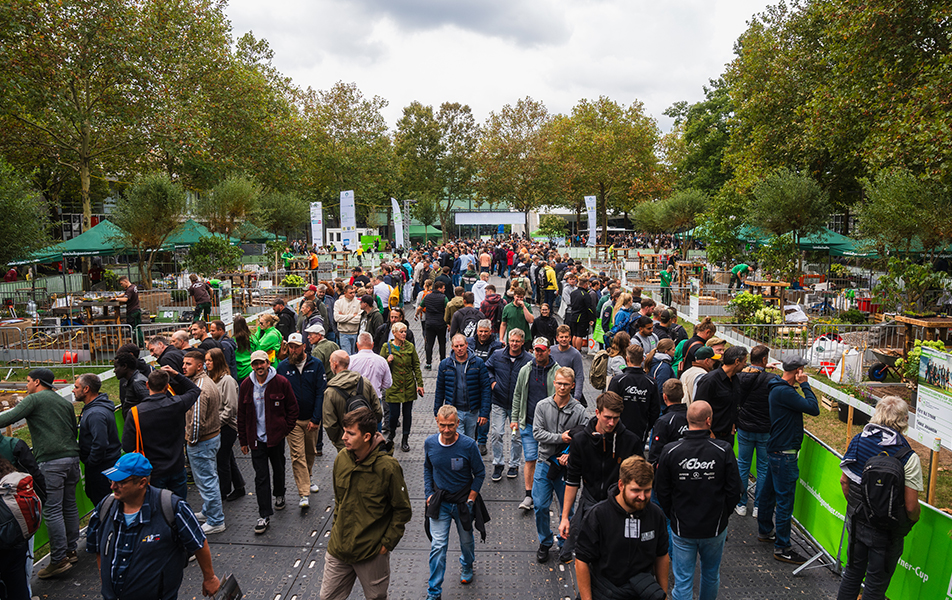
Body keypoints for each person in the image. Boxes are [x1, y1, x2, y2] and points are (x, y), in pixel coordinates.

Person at [86, 453, 221, 600]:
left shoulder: (171, 507)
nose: (113, 486)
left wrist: (209, 578)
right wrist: (105, 582)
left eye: (121, 482)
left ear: (142, 483)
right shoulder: (105, 507)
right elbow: (97, 548)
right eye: (111, 480)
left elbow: (198, 543)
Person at [836, 396, 923, 600]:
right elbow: (911, 508)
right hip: (887, 534)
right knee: (875, 586)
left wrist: (856, 507)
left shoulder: (858, 441)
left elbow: (844, 481)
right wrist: (911, 521)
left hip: (857, 523)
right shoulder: (908, 457)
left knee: (852, 574)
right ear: (903, 420)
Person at [322, 407, 412, 600]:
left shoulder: (387, 468)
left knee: (376, 598)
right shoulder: (341, 460)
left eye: (350, 433)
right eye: (344, 431)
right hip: (339, 548)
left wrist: (386, 544)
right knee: (327, 597)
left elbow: (402, 510)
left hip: (371, 552)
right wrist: (336, 528)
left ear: (366, 436)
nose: (344, 437)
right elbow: (339, 501)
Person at [655, 400, 742, 600]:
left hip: (682, 527)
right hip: (714, 527)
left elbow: (662, 491)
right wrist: (723, 515)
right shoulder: (723, 450)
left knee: (683, 580)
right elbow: (734, 490)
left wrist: (674, 515)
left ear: (688, 420)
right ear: (709, 420)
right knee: (711, 575)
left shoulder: (670, 451)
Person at [0, 368, 81, 579]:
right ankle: (71, 550)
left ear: (37, 382)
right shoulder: (63, 400)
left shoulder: (34, 399)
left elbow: (7, 418)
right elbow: (73, 429)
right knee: (69, 505)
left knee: (52, 510)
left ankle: (58, 560)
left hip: (51, 461)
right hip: (72, 458)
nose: (26, 385)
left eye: (27, 381)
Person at [558, 391, 640, 563]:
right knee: (584, 553)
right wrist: (565, 516)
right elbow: (572, 481)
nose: (611, 423)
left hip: (619, 505)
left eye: (616, 418)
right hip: (591, 501)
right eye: (607, 417)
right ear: (597, 413)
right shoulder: (581, 441)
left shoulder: (630, 441)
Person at [575, 455, 670, 600]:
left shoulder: (656, 515)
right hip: (606, 591)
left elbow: (662, 555)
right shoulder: (598, 515)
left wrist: (663, 594)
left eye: (647, 490)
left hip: (641, 591)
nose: (642, 497)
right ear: (621, 485)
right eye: (636, 490)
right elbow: (581, 560)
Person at [758, 354, 820, 564]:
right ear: (797, 372)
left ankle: (765, 530)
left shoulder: (777, 387)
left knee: (768, 493)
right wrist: (806, 386)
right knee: (785, 501)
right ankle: (783, 546)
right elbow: (813, 409)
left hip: (776, 449)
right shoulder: (785, 392)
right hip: (785, 453)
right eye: (803, 371)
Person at [424, 405, 487, 600]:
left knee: (466, 542)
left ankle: (467, 564)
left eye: (451, 425)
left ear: (458, 423)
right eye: (442, 425)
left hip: (462, 503)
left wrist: (472, 498)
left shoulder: (468, 445)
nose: (447, 430)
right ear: (437, 422)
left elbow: (480, 473)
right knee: (438, 545)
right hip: (440, 502)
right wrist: (428, 493)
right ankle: (434, 592)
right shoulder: (430, 443)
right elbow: (427, 468)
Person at [238, 350, 299, 535]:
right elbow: (241, 414)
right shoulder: (246, 385)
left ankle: (279, 493)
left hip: (276, 438)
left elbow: (293, 409)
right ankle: (264, 515)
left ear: (268, 362)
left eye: (261, 363)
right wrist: (243, 440)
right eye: (255, 364)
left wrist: (283, 430)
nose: (259, 367)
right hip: (256, 440)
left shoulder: (281, 382)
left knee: (279, 468)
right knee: (261, 477)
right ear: (252, 365)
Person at [529, 366, 587, 563]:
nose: (562, 387)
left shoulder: (579, 410)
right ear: (554, 383)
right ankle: (545, 541)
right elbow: (537, 433)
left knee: (567, 509)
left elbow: (585, 436)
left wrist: (570, 453)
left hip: (567, 468)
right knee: (539, 505)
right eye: (559, 383)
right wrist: (561, 438)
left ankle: (564, 544)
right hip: (545, 462)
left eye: (566, 385)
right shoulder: (542, 406)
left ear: (572, 386)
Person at [121, 367, 200, 501]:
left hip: (152, 470)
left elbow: (128, 445)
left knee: (156, 507)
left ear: (147, 385)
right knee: (179, 505)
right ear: (167, 387)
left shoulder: (135, 413)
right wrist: (176, 374)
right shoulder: (177, 404)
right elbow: (195, 390)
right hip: (177, 466)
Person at [276, 333, 326, 509]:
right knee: (297, 455)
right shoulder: (282, 367)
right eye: (290, 346)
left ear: (304, 346)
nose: (293, 350)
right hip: (293, 421)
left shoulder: (316, 365)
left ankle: (308, 476)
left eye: (296, 346)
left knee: (310, 452)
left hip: (311, 419)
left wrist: (316, 418)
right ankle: (303, 492)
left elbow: (321, 392)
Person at [511, 337, 558, 512]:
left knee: (547, 458)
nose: (539, 353)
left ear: (548, 351)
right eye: (536, 350)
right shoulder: (526, 370)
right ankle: (529, 495)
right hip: (529, 423)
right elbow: (517, 395)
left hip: (550, 426)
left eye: (542, 350)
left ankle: (545, 491)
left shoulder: (557, 371)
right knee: (530, 458)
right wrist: (515, 418)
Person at [180, 350, 225, 534]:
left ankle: (216, 520)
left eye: (188, 364)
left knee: (207, 481)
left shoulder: (200, 389)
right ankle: (209, 511)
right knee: (210, 477)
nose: (184, 367)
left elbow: (197, 420)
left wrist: (191, 440)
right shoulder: (206, 381)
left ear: (199, 366)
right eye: (183, 363)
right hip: (211, 437)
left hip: (202, 442)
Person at [485, 328, 532, 482]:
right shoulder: (498, 355)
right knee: (497, 433)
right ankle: (498, 463)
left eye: (517, 341)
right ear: (508, 340)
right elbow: (488, 368)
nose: (514, 343)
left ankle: (514, 464)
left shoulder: (528, 360)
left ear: (522, 342)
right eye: (512, 340)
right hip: (498, 401)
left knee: (516, 437)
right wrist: (493, 383)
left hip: (516, 406)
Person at [734, 345, 775, 517]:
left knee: (743, 465)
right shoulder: (771, 379)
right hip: (765, 429)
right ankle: (759, 506)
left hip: (744, 427)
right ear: (765, 360)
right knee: (763, 467)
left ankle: (741, 504)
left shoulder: (740, 377)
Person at [74, 373, 122, 507]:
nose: (73, 390)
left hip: (101, 467)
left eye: (76, 387)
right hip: (104, 465)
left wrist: (91, 462)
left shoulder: (95, 414)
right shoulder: (97, 408)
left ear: (86, 389)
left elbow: (100, 443)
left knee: (105, 505)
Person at [204, 348, 245, 503]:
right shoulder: (211, 379)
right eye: (206, 360)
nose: (207, 363)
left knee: (222, 460)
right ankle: (239, 486)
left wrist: (214, 424)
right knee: (228, 458)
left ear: (218, 361)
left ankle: (223, 491)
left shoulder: (227, 381)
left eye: (210, 360)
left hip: (226, 427)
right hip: (217, 425)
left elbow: (231, 408)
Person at [323, 350, 384, 451]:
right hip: (367, 442)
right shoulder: (364, 382)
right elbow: (378, 412)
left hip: (345, 446)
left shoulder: (330, 392)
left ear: (335, 364)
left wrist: (340, 442)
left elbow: (330, 424)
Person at [435, 334, 492, 440]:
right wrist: (437, 411)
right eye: (456, 346)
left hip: (473, 411)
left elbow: (486, 388)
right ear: (452, 347)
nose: (459, 349)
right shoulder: (445, 365)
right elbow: (440, 389)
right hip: (454, 410)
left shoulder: (478, 363)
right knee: (458, 439)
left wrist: (484, 412)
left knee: (470, 439)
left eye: (461, 345)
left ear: (467, 345)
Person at [607, 345, 660, 452]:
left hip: (618, 430)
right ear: (642, 359)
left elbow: (608, 405)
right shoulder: (651, 383)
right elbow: (655, 411)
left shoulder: (618, 381)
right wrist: (647, 427)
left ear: (627, 359)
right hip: (641, 430)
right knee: (636, 463)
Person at [380, 322, 423, 452]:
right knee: (394, 414)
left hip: (408, 385)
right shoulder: (386, 347)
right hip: (393, 386)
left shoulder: (410, 347)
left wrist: (420, 384)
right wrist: (387, 361)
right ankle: (392, 434)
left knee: (407, 414)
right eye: (401, 332)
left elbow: (416, 365)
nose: (404, 334)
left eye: (405, 331)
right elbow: (380, 366)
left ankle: (405, 438)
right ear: (394, 333)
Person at [694, 346, 748, 446]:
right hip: (711, 436)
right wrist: (709, 432)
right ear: (736, 361)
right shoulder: (710, 380)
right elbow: (698, 408)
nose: (745, 365)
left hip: (727, 436)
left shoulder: (735, 379)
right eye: (744, 362)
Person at [648, 379, 689, 465]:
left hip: (670, 465)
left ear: (664, 397)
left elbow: (656, 452)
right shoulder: (692, 417)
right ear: (682, 395)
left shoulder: (664, 421)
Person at [549, 325, 586, 404]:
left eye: (566, 337)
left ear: (570, 338)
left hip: (568, 393)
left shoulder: (575, 354)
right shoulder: (551, 351)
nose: (564, 339)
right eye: (561, 337)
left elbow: (579, 376)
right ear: (557, 338)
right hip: (552, 391)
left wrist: (577, 397)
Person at [113, 352, 150, 419]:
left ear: (124, 366)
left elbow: (149, 406)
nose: (114, 371)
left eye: (116, 367)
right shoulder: (132, 381)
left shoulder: (138, 382)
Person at [422, 281, 449, 369]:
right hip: (441, 324)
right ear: (439, 288)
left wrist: (416, 314)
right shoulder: (444, 298)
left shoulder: (427, 296)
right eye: (443, 288)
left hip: (429, 324)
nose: (444, 290)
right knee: (442, 343)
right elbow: (447, 309)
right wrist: (448, 322)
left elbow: (420, 307)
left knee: (429, 344)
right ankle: (443, 362)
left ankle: (428, 363)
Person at [335, 285, 362, 355]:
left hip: (355, 333)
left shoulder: (359, 302)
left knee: (355, 354)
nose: (353, 294)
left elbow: (359, 319)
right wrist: (352, 316)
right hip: (343, 333)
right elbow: (337, 318)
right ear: (345, 293)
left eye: (354, 292)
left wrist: (343, 318)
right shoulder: (338, 303)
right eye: (350, 293)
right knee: (347, 355)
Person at [233, 316, 253, 382]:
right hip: (250, 370)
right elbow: (258, 352)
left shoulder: (233, 341)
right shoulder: (252, 339)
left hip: (238, 372)